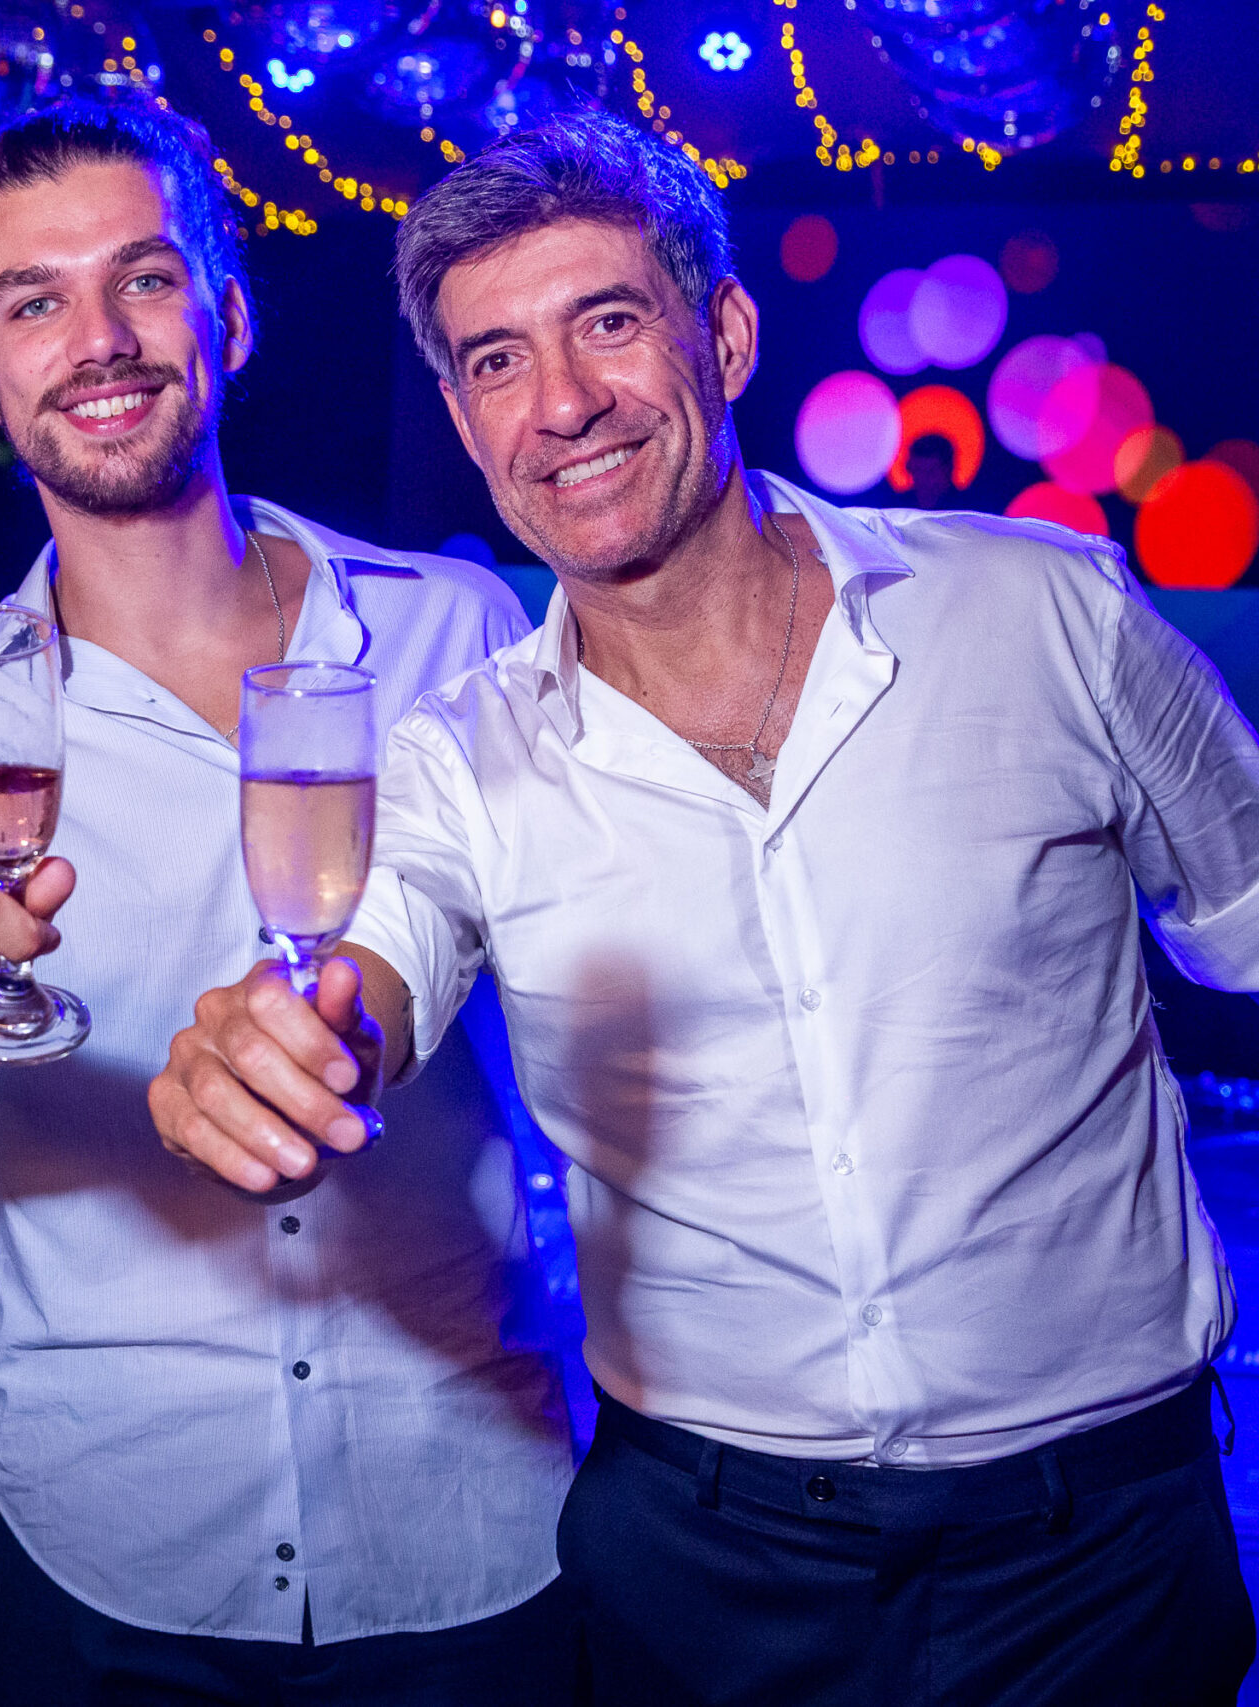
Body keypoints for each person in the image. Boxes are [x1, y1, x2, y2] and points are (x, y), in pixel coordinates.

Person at [152, 110, 1259, 1706]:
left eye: (607, 322)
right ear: (464, 419)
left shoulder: (1043, 612)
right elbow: (368, 965)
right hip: (709, 1567)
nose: (563, 404)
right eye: (496, 361)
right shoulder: (460, 758)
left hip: (1101, 1549)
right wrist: (287, 1046)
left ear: (723, 334)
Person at [0, 100, 581, 1705]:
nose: (100, 341)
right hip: (109, 1543)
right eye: (35, 302)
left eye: (143, 279)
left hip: (477, 1510)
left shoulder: (456, 626)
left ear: (230, 315)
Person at [900, 432, 955, 509]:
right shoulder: (898, 505)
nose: (923, 479)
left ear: (947, 470)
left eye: (930, 472)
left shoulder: (965, 508)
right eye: (918, 470)